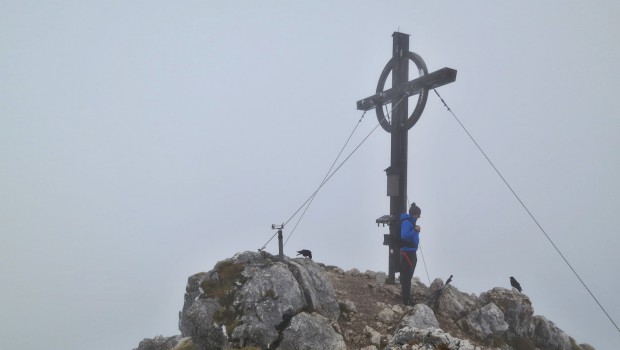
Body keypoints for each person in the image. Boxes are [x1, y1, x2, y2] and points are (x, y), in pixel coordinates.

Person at [400, 202, 421, 306]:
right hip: (407, 253)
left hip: (412, 252)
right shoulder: (407, 223)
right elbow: (404, 236)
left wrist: (416, 230)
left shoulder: (411, 223)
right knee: (407, 277)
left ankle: (407, 298)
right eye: (418, 215)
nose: (419, 217)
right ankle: (405, 300)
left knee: (408, 277)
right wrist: (414, 230)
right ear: (415, 214)